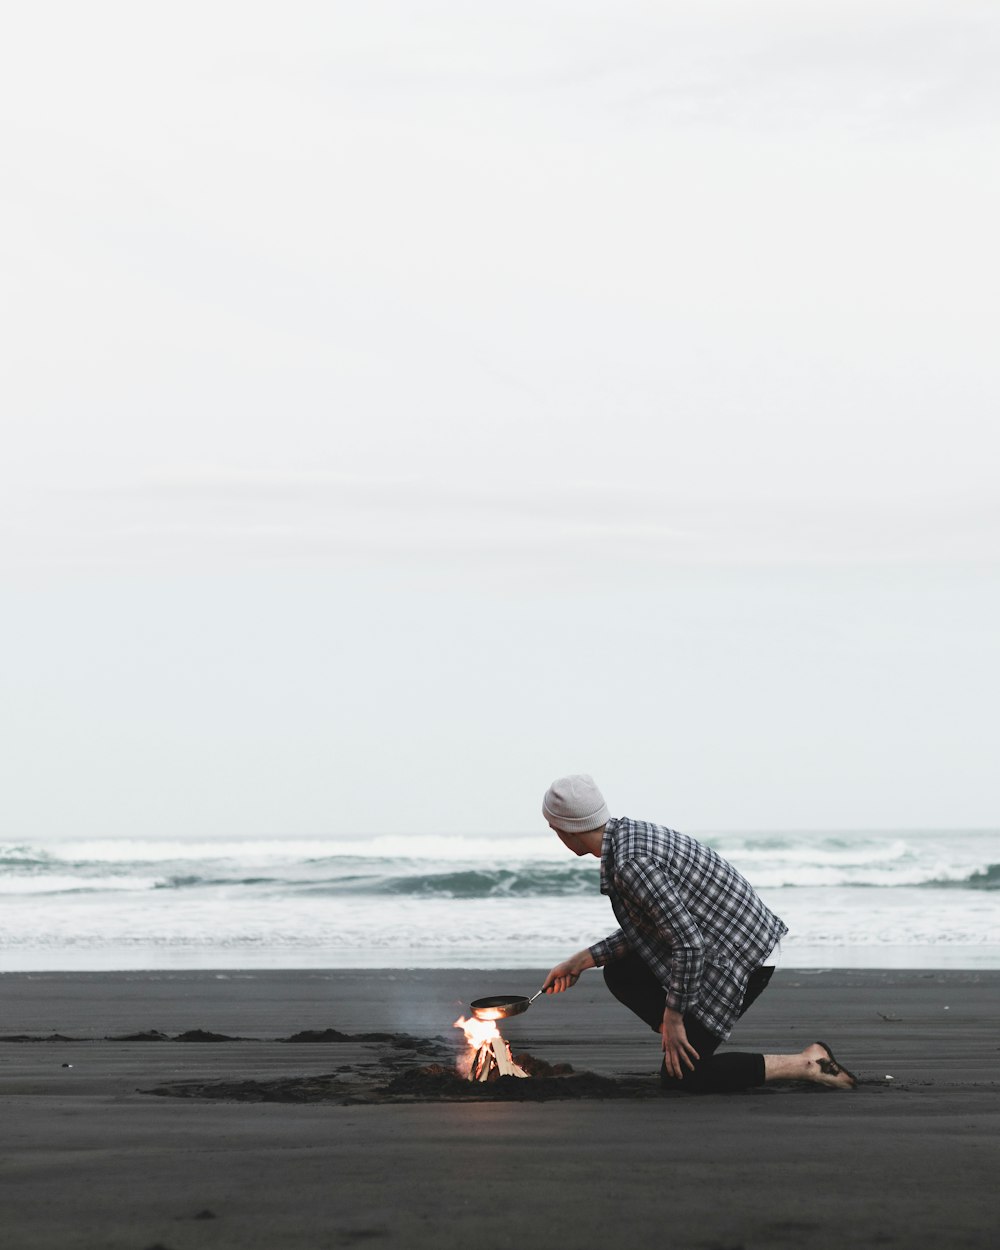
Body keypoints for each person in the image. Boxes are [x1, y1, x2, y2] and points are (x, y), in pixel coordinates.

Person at [540, 774, 856, 1092]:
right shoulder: (629, 834)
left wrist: (674, 1016)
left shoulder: (630, 864)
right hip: (727, 937)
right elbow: (656, 927)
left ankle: (808, 1064)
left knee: (684, 1077)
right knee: (621, 972)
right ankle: (686, 1034)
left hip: (741, 955)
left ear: (567, 829)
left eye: (554, 828)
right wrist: (581, 960)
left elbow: (688, 943)